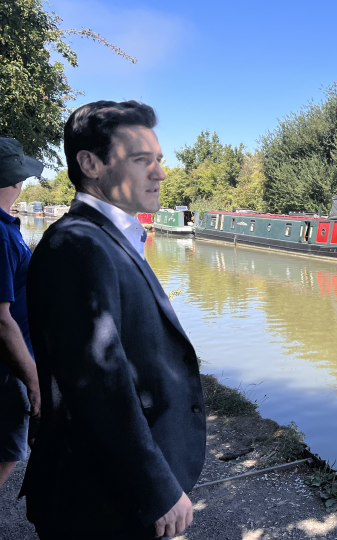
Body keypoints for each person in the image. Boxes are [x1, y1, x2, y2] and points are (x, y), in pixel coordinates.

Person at [21, 101, 206, 539]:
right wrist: (156, 489)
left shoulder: (109, 238)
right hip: (101, 502)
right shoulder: (76, 246)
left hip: (114, 493)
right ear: (90, 163)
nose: (160, 172)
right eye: (143, 160)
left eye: (159, 160)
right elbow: (97, 384)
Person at [0, 137, 42, 490]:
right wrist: (33, 380)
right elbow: (1, 320)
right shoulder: (0, 236)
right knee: (7, 453)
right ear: (14, 180)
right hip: (7, 368)